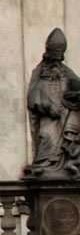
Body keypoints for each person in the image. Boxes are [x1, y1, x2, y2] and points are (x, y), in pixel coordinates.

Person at [25, 29, 80, 180]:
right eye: (54, 59)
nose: (56, 63)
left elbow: (76, 83)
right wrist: (48, 106)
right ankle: (44, 165)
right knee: (47, 136)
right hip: (48, 115)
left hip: (64, 114)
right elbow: (32, 96)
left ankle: (61, 166)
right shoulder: (39, 72)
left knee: (65, 140)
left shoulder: (65, 71)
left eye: (58, 59)